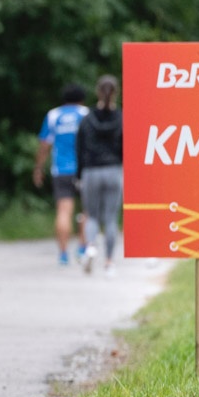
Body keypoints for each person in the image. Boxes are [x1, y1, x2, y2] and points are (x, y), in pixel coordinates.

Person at [33, 84, 90, 266]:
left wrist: (38, 168)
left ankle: (63, 253)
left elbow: (44, 145)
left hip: (61, 169)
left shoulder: (54, 115)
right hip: (84, 169)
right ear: (82, 99)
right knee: (87, 210)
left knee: (64, 211)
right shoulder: (86, 114)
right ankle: (82, 247)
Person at [76, 75, 123, 276]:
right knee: (111, 218)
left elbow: (80, 148)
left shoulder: (87, 119)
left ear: (97, 92)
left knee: (92, 215)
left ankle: (90, 247)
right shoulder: (121, 118)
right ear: (116, 93)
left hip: (91, 171)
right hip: (113, 170)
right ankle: (109, 263)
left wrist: (79, 174)